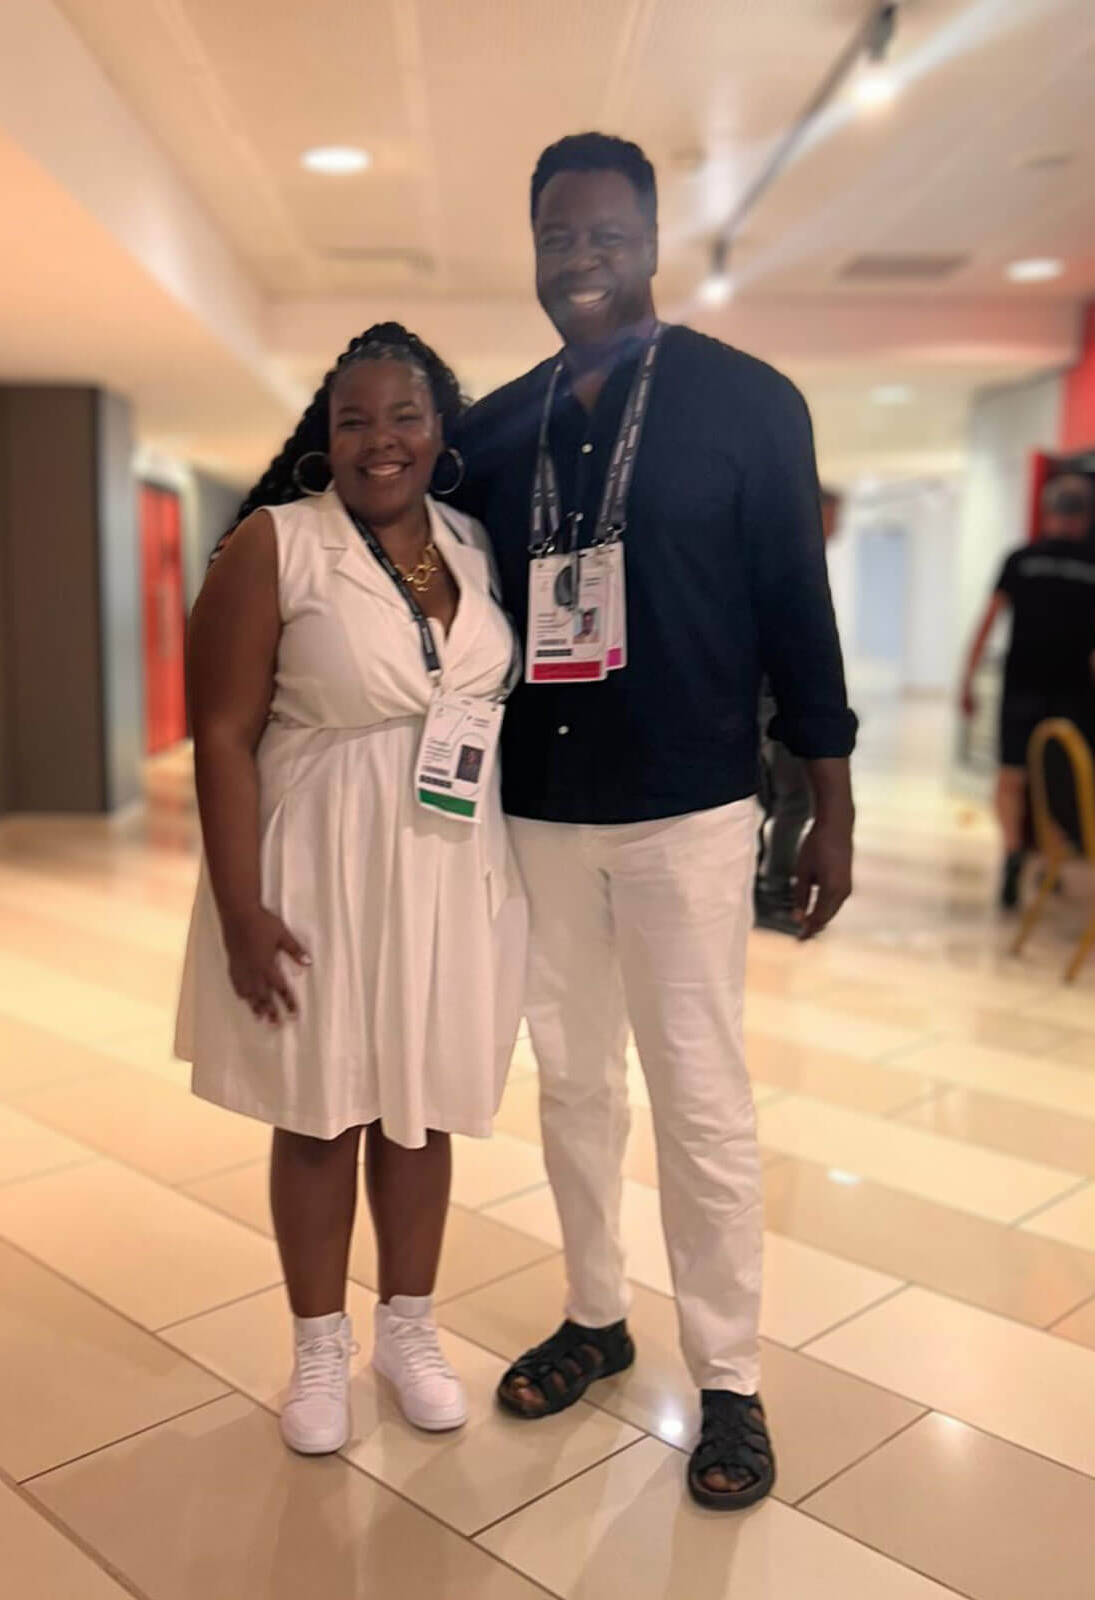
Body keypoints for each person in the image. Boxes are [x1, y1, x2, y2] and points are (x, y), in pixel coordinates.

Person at [457, 133, 856, 1512]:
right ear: (535, 247)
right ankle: (596, 1314)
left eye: (606, 234)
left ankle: (730, 1377)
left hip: (689, 805)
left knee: (699, 1094)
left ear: (652, 239)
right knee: (571, 1081)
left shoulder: (748, 402)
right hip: (539, 809)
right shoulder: (494, 430)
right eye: (557, 236)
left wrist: (830, 802)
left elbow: (797, 608)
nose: (581, 259)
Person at [175, 323, 527, 1457]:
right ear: (324, 439)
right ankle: (319, 1347)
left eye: (404, 417)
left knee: (423, 1105)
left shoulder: (472, 544)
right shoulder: (277, 543)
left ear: (440, 431)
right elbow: (222, 736)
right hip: (320, 860)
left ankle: (410, 1333)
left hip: (448, 861)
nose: (382, 440)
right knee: (322, 1111)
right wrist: (240, 909)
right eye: (354, 420)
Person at [960, 472, 1095, 908]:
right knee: (1061, 780)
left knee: (1011, 776)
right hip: (1074, 691)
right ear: (1086, 517)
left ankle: (1014, 854)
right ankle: (1050, 859)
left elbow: (988, 620)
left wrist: (967, 679)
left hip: (1022, 684)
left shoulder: (1021, 558)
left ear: (1046, 511)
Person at [755, 486, 842, 935]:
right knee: (792, 800)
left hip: (771, 700)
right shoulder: (786, 560)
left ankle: (767, 886)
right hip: (773, 700)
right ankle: (774, 892)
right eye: (833, 516)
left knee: (777, 798)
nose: (836, 527)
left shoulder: (787, 556)